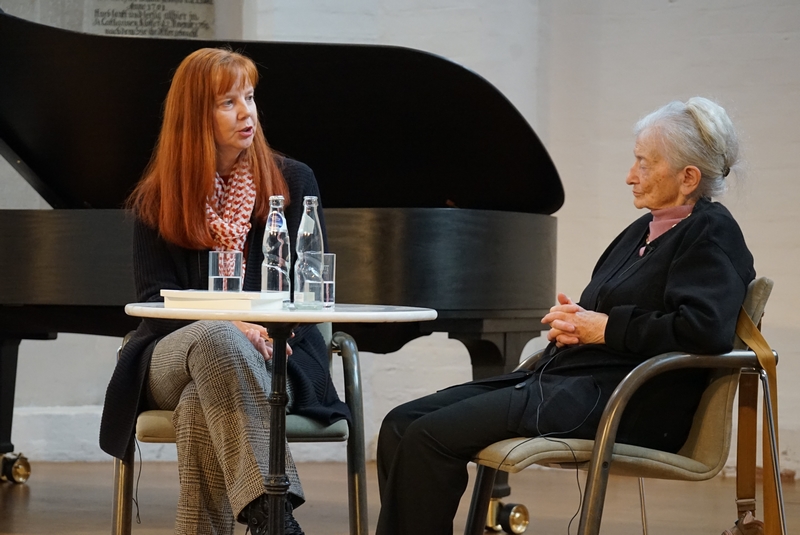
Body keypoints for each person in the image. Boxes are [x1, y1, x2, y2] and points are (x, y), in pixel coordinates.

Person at [376, 97, 756, 534]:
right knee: (400, 424)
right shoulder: (645, 229)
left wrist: (605, 329)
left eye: (644, 163)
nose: (630, 176)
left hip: (627, 402)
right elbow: (621, 315)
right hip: (573, 384)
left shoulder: (711, 232)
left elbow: (704, 329)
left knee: (429, 436)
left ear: (688, 177)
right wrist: (577, 324)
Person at [99, 48, 350, 535]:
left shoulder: (293, 181)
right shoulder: (158, 196)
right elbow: (154, 302)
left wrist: (264, 331)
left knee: (201, 401)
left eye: (250, 98)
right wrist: (231, 326)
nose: (246, 113)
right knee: (218, 337)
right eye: (228, 102)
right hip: (174, 355)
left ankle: (265, 521)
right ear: (196, 115)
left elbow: (307, 288)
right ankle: (275, 514)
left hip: (277, 354)